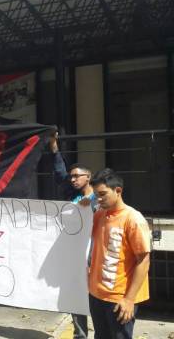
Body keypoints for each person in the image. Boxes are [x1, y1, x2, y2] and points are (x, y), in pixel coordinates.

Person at [89, 168, 151, 339]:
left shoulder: (133, 219)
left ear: (118, 191)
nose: (99, 199)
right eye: (96, 195)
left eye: (102, 194)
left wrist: (129, 299)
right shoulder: (99, 214)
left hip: (119, 298)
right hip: (96, 295)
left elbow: (143, 261)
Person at [49, 132, 96, 339]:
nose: (73, 179)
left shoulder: (100, 197)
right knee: (76, 294)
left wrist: (92, 202)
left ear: (89, 177)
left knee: (97, 297)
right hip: (74, 252)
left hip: (94, 254)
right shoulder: (71, 194)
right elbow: (59, 173)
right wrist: (54, 147)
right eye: (72, 176)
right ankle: (80, 334)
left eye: (78, 176)